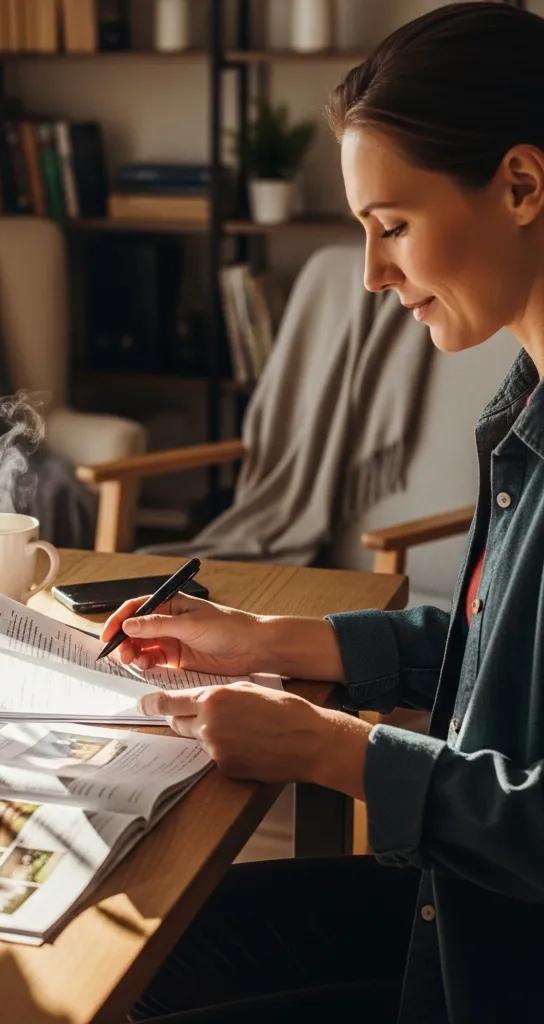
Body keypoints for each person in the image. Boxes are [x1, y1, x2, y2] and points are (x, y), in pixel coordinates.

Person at [106, 5, 544, 1023]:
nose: (371, 274)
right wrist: (267, 638)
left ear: (522, 184)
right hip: (464, 908)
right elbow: (502, 659)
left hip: (505, 967)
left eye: (391, 225)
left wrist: (322, 748)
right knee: (139, 950)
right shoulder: (525, 402)